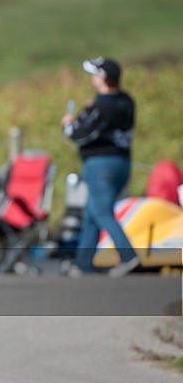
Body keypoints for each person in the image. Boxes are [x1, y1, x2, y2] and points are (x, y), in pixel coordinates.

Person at [61, 56, 139, 278]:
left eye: (95, 74)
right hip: (122, 163)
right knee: (91, 212)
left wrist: (68, 125)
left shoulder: (102, 106)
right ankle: (83, 263)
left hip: (100, 165)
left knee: (102, 212)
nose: (92, 79)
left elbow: (79, 134)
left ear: (103, 78)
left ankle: (128, 255)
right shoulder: (126, 101)